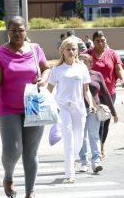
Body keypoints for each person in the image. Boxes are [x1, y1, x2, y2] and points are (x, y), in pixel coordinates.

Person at [0, 16, 50, 198]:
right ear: (8, 31)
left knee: (31, 152)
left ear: (26, 30)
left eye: (20, 30)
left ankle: (30, 192)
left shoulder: (35, 49)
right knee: (13, 149)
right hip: (8, 109)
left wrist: (43, 79)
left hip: (33, 106)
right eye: (13, 30)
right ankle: (8, 176)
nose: (17, 33)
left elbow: (46, 68)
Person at [47, 37, 96, 184]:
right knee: (68, 139)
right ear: (62, 51)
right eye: (68, 49)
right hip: (63, 108)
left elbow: (86, 90)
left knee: (79, 140)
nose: (71, 52)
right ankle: (70, 173)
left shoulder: (82, 68)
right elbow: (49, 89)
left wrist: (91, 104)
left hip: (79, 108)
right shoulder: (56, 69)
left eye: (74, 49)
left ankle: (72, 161)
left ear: (77, 51)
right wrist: (49, 105)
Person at [83, 30, 124, 159]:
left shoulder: (112, 54)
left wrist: (122, 79)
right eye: (98, 41)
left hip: (109, 92)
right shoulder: (87, 54)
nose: (101, 43)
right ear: (93, 42)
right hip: (93, 93)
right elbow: (76, 63)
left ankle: (101, 146)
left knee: (105, 121)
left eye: (103, 40)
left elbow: (118, 68)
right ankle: (95, 149)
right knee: (97, 121)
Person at [78, 53, 118, 173]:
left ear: (91, 63)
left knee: (94, 135)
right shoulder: (75, 75)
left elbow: (106, 93)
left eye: (85, 61)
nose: (83, 63)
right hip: (78, 110)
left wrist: (114, 112)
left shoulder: (97, 75)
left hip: (93, 110)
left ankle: (96, 162)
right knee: (82, 137)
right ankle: (84, 162)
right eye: (80, 61)